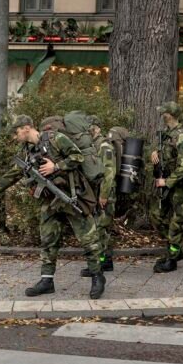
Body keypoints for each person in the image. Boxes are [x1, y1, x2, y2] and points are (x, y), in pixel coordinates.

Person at [0, 115, 106, 299]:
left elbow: (77, 156)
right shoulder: (26, 151)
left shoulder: (56, 139)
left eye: (16, 132)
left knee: (88, 239)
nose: (15, 136)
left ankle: (97, 276)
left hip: (71, 197)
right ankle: (47, 281)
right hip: (49, 202)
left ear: (27, 127)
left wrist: (57, 166)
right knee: (47, 241)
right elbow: (13, 174)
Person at [150, 102, 183, 273]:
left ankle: (172, 258)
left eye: (164, 113)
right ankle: (174, 249)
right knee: (156, 216)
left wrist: (167, 182)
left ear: (169, 115)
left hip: (179, 187)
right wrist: (154, 152)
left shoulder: (182, 137)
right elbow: (163, 154)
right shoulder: (166, 134)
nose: (162, 115)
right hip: (165, 185)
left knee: (176, 223)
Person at [78, 115, 117, 277]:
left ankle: (101, 262)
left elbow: (109, 173)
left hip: (105, 193)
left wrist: (103, 195)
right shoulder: (92, 144)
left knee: (100, 228)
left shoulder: (104, 146)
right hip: (96, 192)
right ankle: (105, 260)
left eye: (92, 126)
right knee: (102, 227)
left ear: (98, 128)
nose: (89, 129)